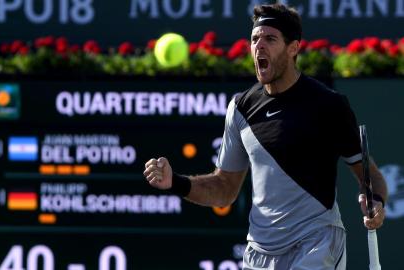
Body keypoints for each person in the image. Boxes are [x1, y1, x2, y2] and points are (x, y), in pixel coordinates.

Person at [143, 3, 388, 270]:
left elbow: (370, 176)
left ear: (293, 48)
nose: (259, 45)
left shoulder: (329, 106)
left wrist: (376, 200)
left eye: (270, 39)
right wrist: (175, 183)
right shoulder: (241, 108)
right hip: (260, 251)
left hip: (316, 242)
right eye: (254, 39)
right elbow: (224, 189)